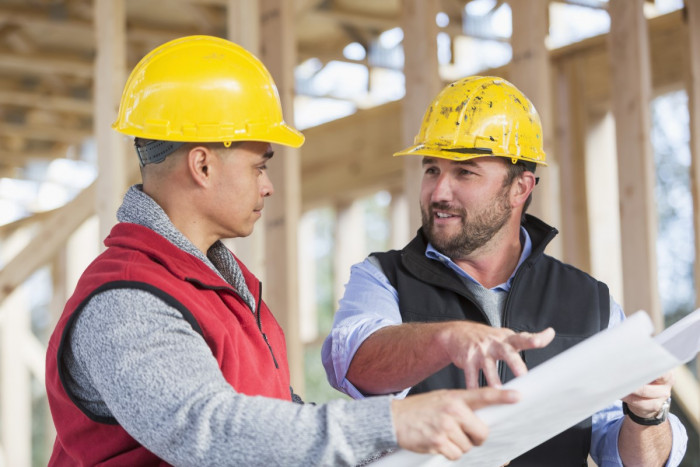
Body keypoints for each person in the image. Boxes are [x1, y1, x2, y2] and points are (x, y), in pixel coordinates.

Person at [43, 36, 525, 466]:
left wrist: (408, 445)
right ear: (203, 166)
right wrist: (393, 421)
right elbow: (210, 432)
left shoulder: (214, 288)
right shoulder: (128, 301)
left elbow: (276, 420)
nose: (269, 186)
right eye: (259, 166)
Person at [323, 76, 688, 466]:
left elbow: (634, 460)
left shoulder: (589, 302)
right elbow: (356, 363)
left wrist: (647, 415)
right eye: (432, 170)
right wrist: (449, 338)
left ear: (520, 188)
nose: (439, 192)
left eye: (465, 172)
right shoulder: (383, 277)